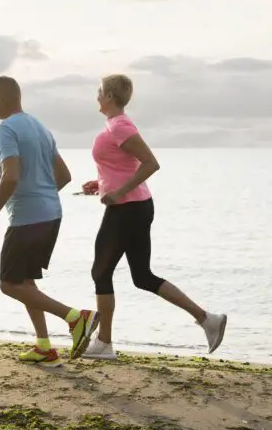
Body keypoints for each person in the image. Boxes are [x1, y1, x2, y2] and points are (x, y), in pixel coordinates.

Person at [83, 74, 227, 360]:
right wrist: (100, 185)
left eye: (100, 91)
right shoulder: (114, 126)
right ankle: (208, 320)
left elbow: (151, 163)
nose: (96, 95)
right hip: (133, 206)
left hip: (127, 209)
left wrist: (118, 192)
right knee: (142, 276)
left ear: (110, 96)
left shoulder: (120, 125)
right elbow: (124, 166)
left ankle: (104, 344)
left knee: (101, 271)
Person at [0, 75, 99, 367]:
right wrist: (39, 196)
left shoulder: (6, 129)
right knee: (26, 281)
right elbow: (63, 177)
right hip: (51, 214)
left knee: (8, 284)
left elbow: (10, 175)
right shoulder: (40, 128)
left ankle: (76, 318)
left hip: (27, 218)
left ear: (7, 98)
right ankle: (44, 346)